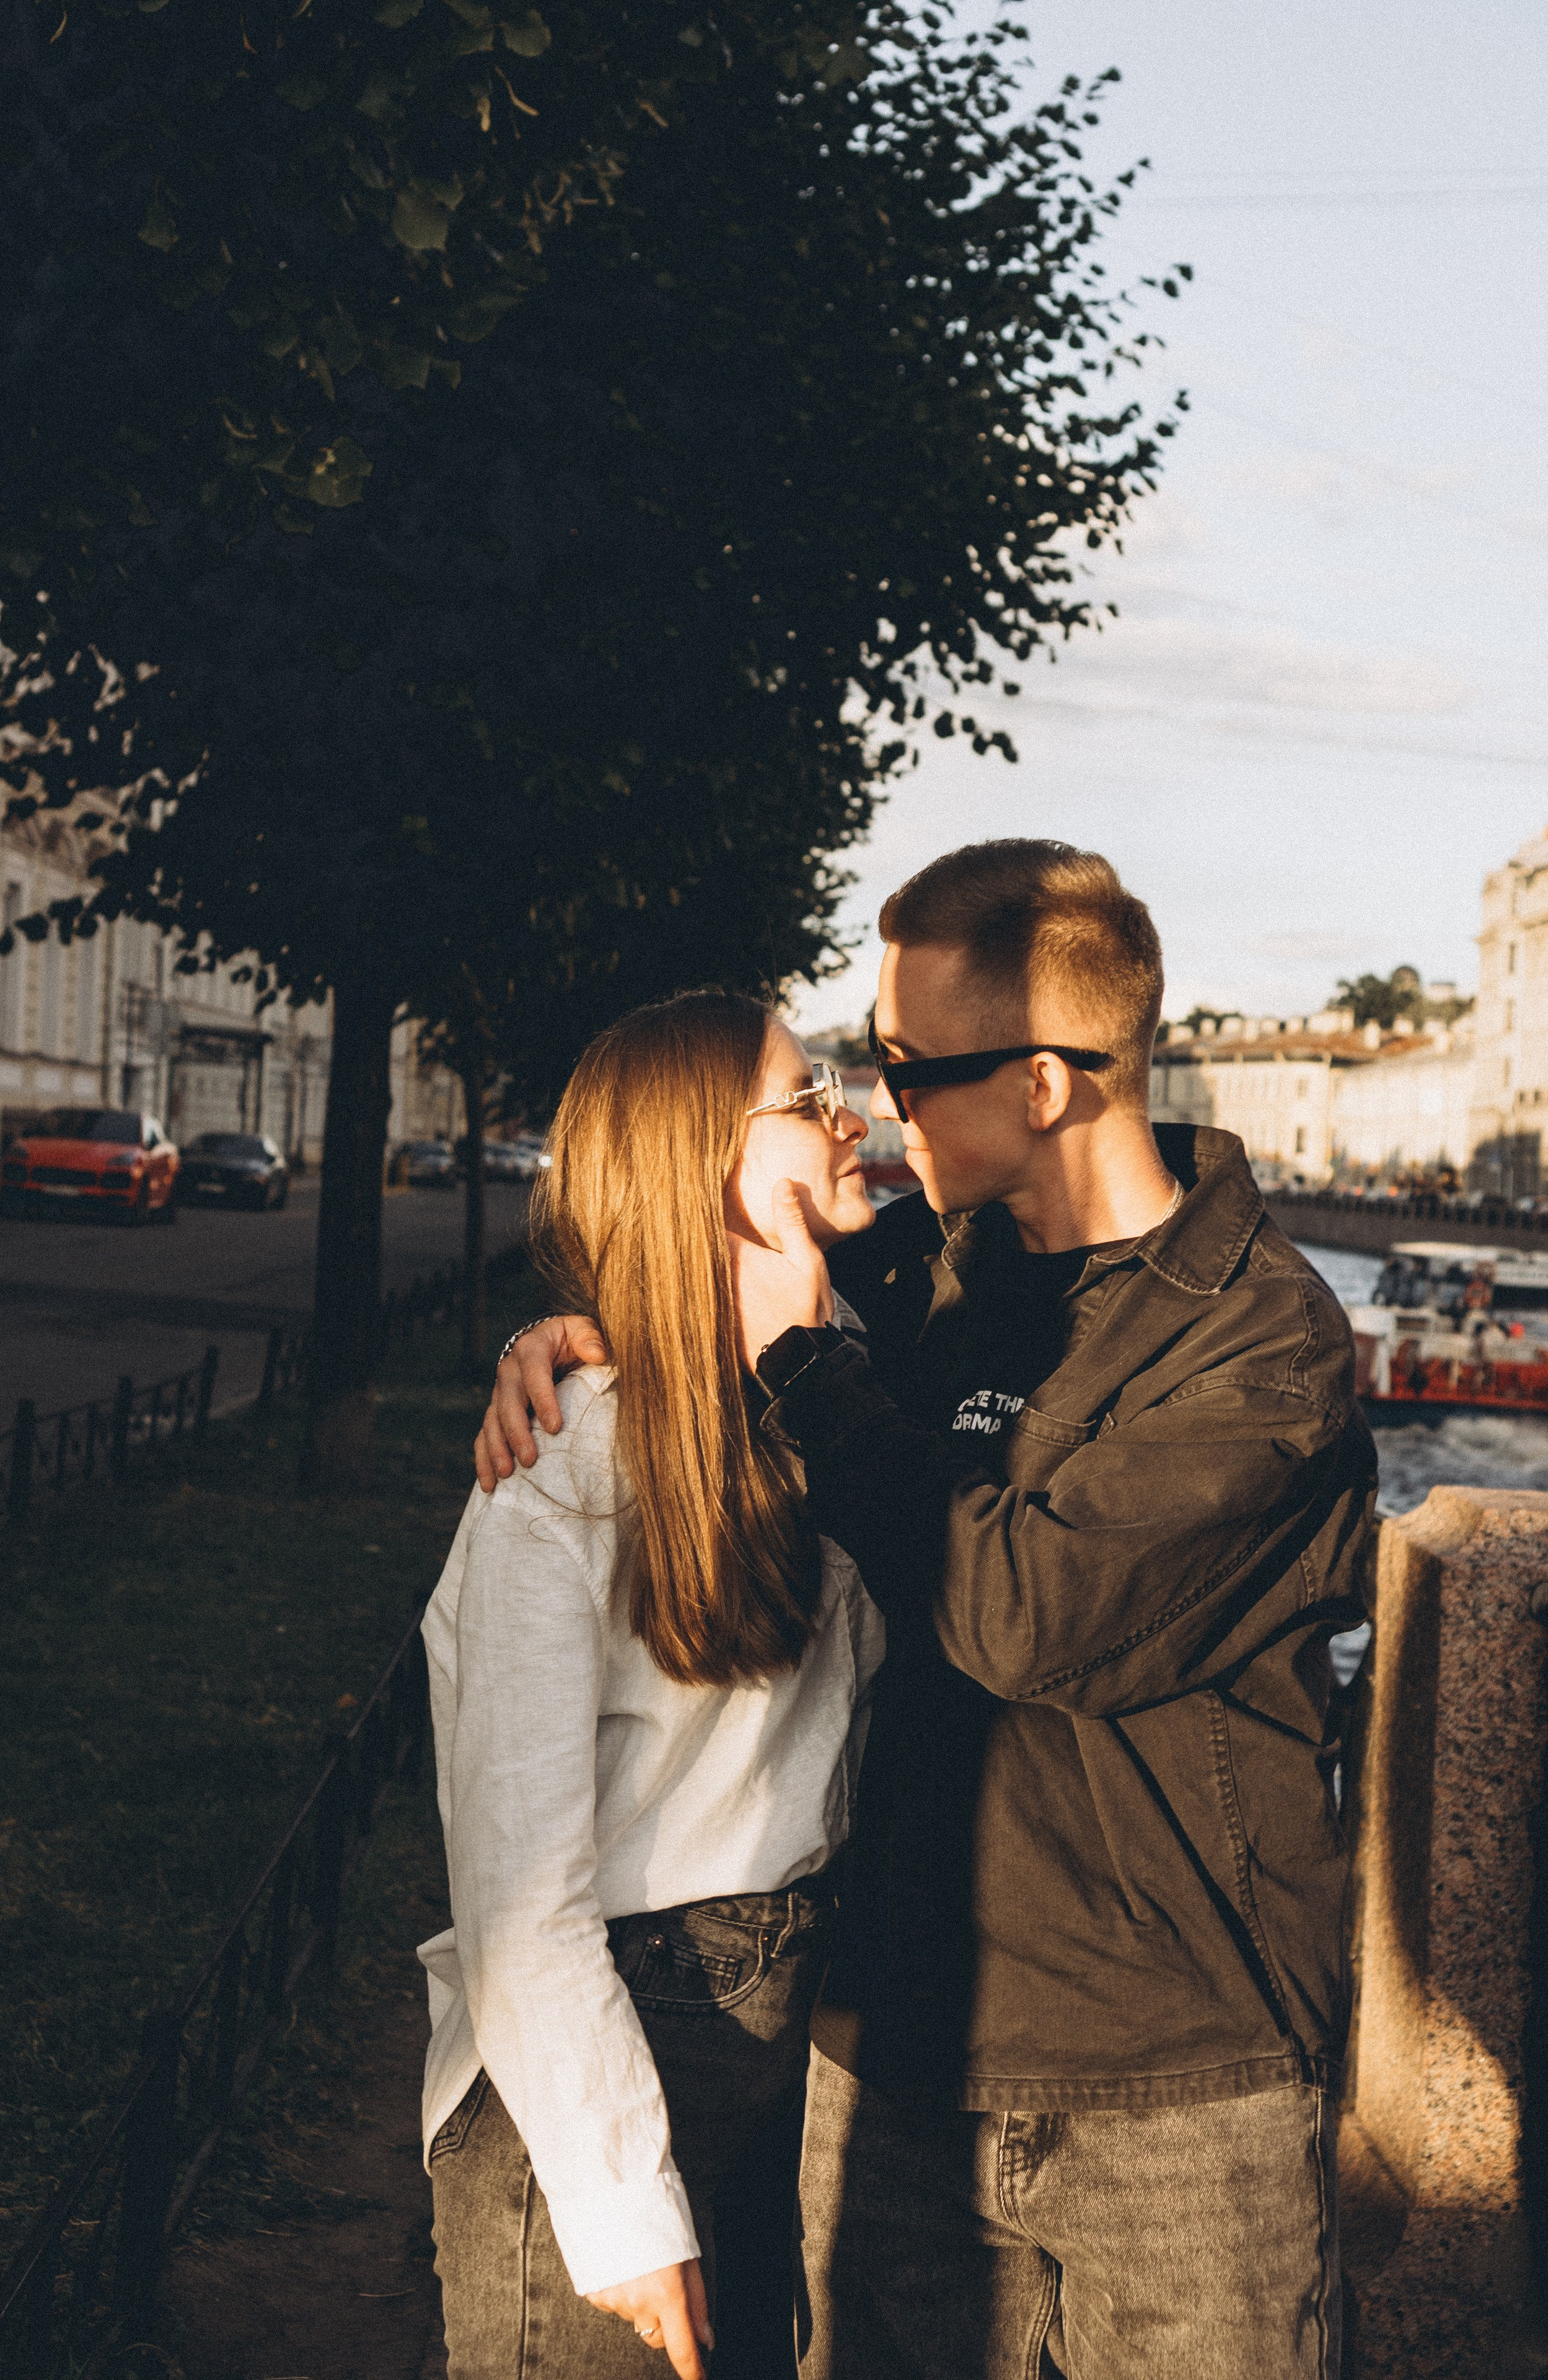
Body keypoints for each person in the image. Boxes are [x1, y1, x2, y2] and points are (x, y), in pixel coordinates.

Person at [477, 840, 1377, 2380]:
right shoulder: (919, 1288)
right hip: (886, 2061)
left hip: (1176, 2093)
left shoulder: (1261, 1346)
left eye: (907, 1068)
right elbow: (708, 1275)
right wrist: (588, 1342)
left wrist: (800, 1370)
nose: (878, 1104)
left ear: (1041, 1084)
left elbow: (1032, 1616)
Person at [423, 988, 884, 2380]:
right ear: (700, 1165)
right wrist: (618, 2205)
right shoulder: (560, 1477)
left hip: (773, 2053)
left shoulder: (845, 1391)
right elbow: (518, 1897)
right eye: (804, 1103)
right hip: (600, 2071)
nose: (844, 1112)